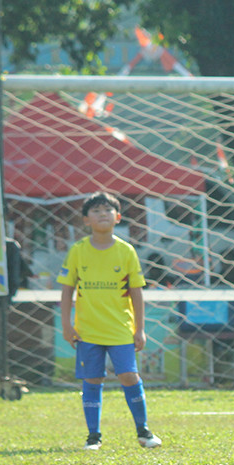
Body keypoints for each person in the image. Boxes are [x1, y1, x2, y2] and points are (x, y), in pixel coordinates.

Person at [58, 192, 161, 450]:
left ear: (118, 217)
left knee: (128, 375)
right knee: (92, 380)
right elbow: (67, 290)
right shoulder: (78, 251)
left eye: (107, 210)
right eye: (96, 210)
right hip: (87, 330)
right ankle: (94, 436)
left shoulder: (126, 251)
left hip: (120, 329)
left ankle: (144, 431)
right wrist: (66, 325)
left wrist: (140, 329)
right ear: (85, 220)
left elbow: (137, 292)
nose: (102, 214)